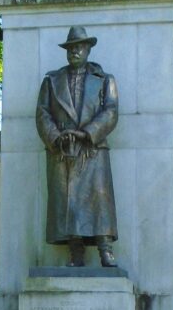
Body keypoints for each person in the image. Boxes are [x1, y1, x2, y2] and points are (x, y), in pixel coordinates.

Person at [35, 26, 120, 267]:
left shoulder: (104, 80)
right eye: (71, 48)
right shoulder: (52, 81)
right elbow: (42, 114)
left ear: (88, 49)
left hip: (92, 148)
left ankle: (105, 249)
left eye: (79, 47)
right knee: (68, 202)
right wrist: (55, 137)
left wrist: (86, 133)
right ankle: (76, 252)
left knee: (99, 201)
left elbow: (111, 111)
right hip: (63, 150)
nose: (75, 51)